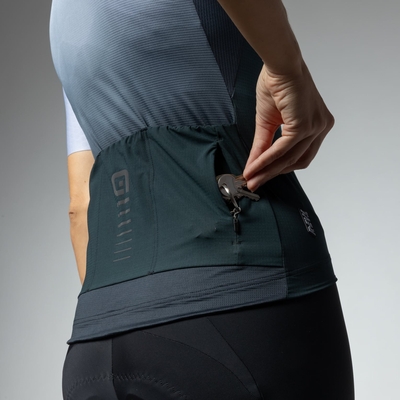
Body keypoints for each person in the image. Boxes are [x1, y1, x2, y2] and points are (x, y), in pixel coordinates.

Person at [50, 0, 354, 399]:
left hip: (96, 346)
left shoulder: (66, 22)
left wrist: (131, 313)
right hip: (243, 309)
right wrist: (287, 69)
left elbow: (81, 206)